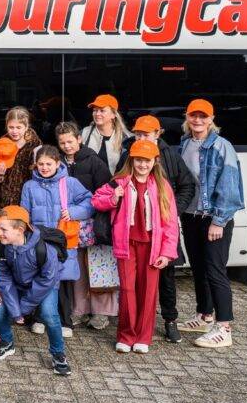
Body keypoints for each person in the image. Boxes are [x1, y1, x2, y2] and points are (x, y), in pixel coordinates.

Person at [92, 139, 179, 354]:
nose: (142, 164)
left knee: (148, 292)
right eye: (138, 160)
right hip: (127, 245)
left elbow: (170, 222)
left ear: (155, 161)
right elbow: (96, 200)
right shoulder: (119, 182)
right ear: (131, 160)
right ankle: (126, 335)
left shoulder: (162, 185)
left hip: (152, 246)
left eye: (147, 160)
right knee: (128, 290)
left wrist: (167, 252)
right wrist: (113, 198)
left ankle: (143, 337)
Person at [117, 115, 196, 343]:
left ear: (158, 133)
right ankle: (133, 326)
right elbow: (117, 185)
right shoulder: (128, 154)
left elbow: (187, 185)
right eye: (138, 134)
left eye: (146, 134)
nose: (141, 137)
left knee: (167, 277)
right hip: (135, 233)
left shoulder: (170, 155)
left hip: (160, 230)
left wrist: (170, 211)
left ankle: (170, 320)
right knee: (134, 284)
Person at [177, 99, 244, 349]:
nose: (197, 120)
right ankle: (204, 316)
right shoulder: (185, 143)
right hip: (191, 216)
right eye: (193, 115)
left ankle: (224, 327)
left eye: (203, 116)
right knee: (198, 268)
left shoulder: (221, 146)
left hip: (213, 218)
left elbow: (229, 186)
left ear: (211, 119)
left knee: (215, 271)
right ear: (187, 117)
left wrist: (219, 221)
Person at [19, 145, 94, 338]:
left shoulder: (69, 183)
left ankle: (64, 320)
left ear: (57, 163)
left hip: (63, 240)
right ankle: (39, 318)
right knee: (39, 278)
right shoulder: (29, 186)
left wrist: (74, 212)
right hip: (39, 240)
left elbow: (89, 202)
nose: (44, 168)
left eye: (48, 164)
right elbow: (24, 213)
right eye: (41, 164)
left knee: (63, 279)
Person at [0, 205, 72, 376]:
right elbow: (3, 279)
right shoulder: (1, 248)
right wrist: (15, 311)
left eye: (3, 229)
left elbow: (46, 280)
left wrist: (23, 308)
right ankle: (6, 342)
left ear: (20, 230)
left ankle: (58, 353)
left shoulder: (44, 249)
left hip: (46, 284)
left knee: (49, 315)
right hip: (18, 283)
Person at [55, 122, 115, 331]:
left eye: (70, 141)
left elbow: (105, 191)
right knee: (77, 267)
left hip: (93, 222)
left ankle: (101, 312)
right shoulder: (58, 163)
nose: (67, 146)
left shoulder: (94, 161)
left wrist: (92, 213)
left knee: (98, 266)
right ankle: (79, 309)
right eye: (62, 142)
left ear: (79, 139)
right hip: (69, 226)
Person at [0, 107, 42, 209]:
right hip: (2, 201)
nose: (14, 131)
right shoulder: (0, 144)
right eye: (11, 127)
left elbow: (40, 176)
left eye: (18, 127)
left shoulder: (35, 146)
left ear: (26, 127)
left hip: (26, 201)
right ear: (6, 126)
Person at [81, 94, 131, 173]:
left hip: (116, 180)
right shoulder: (84, 133)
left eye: (102, 110)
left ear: (113, 115)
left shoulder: (126, 137)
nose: (97, 114)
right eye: (95, 110)